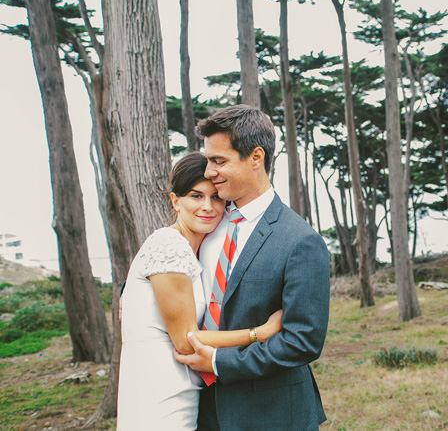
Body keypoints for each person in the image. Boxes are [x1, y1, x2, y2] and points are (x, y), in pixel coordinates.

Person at [174, 105, 331, 430]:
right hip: (200, 409)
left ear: (256, 157)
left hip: (270, 413)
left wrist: (218, 362)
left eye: (219, 161)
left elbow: (303, 342)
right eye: (208, 161)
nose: (210, 171)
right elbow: (171, 261)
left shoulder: (300, 240)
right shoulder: (207, 218)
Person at [117, 152, 283, 431]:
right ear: (175, 201)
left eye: (216, 197)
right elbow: (185, 341)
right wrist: (258, 333)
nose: (208, 206)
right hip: (159, 396)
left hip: (182, 391)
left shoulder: (194, 252)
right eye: (196, 196)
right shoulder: (168, 245)